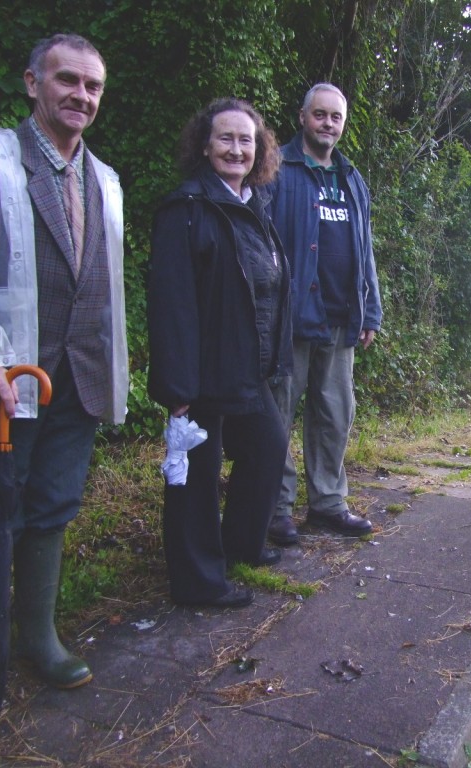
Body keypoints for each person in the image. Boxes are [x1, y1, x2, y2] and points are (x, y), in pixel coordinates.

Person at [0, 34, 128, 720]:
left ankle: (38, 635)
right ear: (32, 84)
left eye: (93, 86)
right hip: (2, 380)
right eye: (67, 80)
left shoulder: (105, 179)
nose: (81, 95)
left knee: (53, 507)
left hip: (76, 377)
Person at [147, 98, 291, 608]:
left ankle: (240, 547)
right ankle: (198, 582)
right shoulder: (186, 209)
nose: (236, 148)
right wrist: (177, 388)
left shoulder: (254, 207)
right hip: (200, 370)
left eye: (246, 140)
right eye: (225, 138)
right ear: (205, 145)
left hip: (246, 368)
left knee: (269, 446)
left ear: (260, 149)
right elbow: (171, 302)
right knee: (196, 475)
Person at [266, 83, 382, 547]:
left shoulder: (352, 178)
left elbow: (365, 248)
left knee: (335, 413)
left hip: (341, 315)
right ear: (302, 117)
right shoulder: (278, 169)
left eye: (336, 117)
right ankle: (274, 510)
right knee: (278, 414)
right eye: (320, 115)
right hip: (290, 316)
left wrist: (370, 309)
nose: (328, 124)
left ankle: (328, 504)